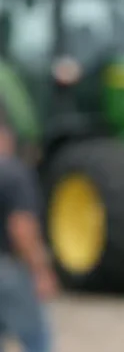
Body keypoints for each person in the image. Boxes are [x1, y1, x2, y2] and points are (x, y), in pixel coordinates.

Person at [0, 123, 57, 352]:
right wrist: (41, 271)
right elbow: (21, 228)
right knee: (36, 340)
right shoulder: (13, 174)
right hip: (9, 271)